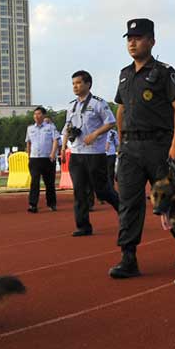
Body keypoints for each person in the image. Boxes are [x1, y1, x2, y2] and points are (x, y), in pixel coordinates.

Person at [110, 19, 175, 279]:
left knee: (170, 199)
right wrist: (121, 140)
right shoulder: (124, 74)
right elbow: (121, 108)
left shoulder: (164, 72)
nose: (132, 43)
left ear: (152, 41)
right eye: (129, 39)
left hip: (158, 146)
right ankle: (128, 257)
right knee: (128, 202)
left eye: (138, 38)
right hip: (130, 148)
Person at [62, 71, 119, 236]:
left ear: (88, 84)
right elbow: (67, 127)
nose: (75, 86)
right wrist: (64, 146)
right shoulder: (71, 106)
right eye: (73, 83)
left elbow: (111, 122)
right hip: (76, 153)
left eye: (78, 83)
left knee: (102, 190)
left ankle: (124, 210)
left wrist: (95, 134)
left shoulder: (98, 103)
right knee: (79, 191)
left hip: (95, 153)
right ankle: (83, 226)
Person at [25, 106, 60, 212]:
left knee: (49, 182)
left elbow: (55, 140)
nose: (36, 116)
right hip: (35, 158)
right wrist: (28, 155)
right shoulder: (30, 129)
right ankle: (33, 205)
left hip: (47, 158)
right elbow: (28, 142)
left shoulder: (50, 127)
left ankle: (51, 203)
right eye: (35, 114)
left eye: (39, 114)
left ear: (44, 115)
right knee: (34, 182)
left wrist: (53, 153)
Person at [105, 127, 119, 195]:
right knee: (104, 172)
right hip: (102, 154)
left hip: (110, 154)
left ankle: (111, 189)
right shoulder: (99, 131)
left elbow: (117, 143)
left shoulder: (113, 132)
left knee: (110, 172)